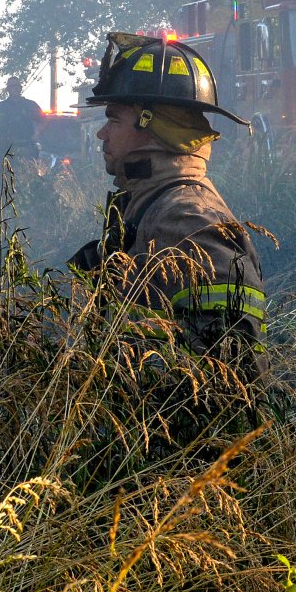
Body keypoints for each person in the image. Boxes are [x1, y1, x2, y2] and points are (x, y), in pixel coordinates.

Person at [69, 33, 267, 375]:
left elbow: (232, 370)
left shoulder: (190, 220)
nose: (102, 134)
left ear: (153, 127)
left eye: (114, 120)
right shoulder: (151, 205)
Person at [0, 76, 42, 167]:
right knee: (6, 178)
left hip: (27, 148)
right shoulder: (0, 107)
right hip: (6, 149)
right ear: (8, 89)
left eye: (17, 86)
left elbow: (44, 120)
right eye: (12, 86)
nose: (15, 88)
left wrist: (37, 133)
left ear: (20, 88)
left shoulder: (30, 105)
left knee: (28, 178)